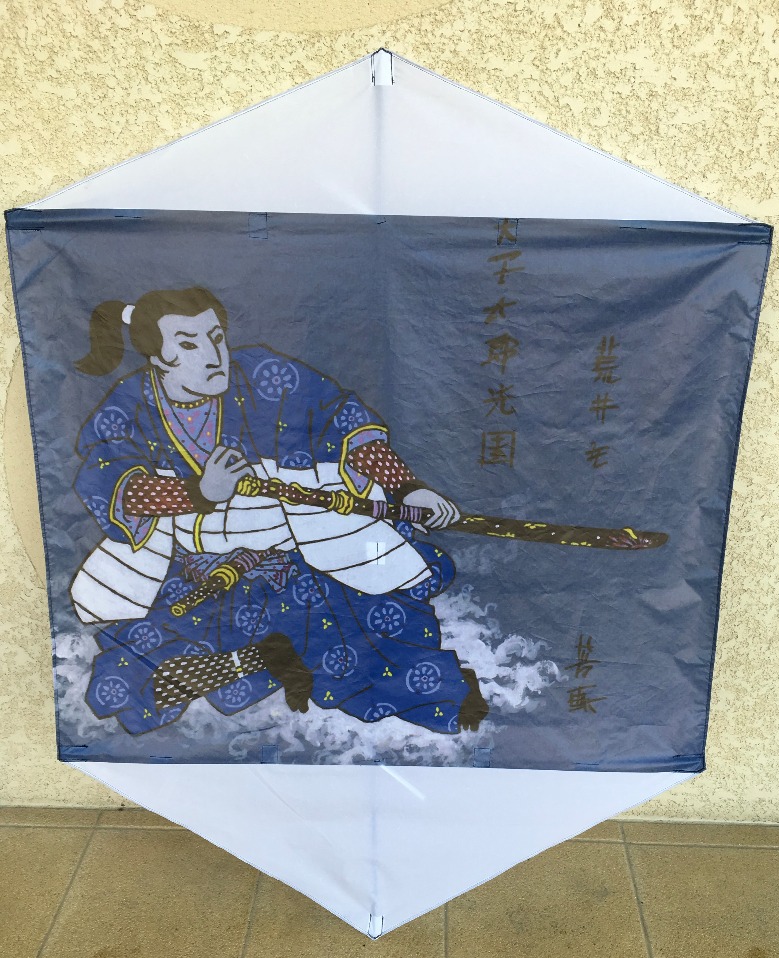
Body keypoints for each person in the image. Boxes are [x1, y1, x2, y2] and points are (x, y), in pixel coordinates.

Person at [72, 286, 487, 740]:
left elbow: (343, 420)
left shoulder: (266, 375)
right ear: (156, 357)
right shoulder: (129, 406)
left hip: (295, 555)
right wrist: (198, 492)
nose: (212, 357)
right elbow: (112, 482)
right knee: (135, 680)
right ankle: (264, 659)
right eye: (188, 345)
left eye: (216, 338)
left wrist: (406, 488)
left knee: (367, 640)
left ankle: (277, 659)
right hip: (199, 571)